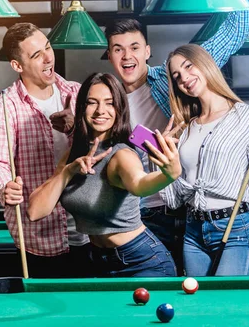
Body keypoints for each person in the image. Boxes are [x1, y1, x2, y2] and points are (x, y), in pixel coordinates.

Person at [104, 0, 249, 275]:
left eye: (133, 47)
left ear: (147, 51)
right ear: (110, 55)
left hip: (180, 212)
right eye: (117, 49)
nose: (126, 56)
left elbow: (234, 32)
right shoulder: (106, 101)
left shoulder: (175, 77)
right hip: (134, 216)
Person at [28, 73, 182, 277]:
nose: (101, 110)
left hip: (143, 261)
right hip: (99, 260)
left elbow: (139, 184)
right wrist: (68, 172)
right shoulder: (74, 154)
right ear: (82, 108)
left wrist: (169, 174)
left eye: (110, 103)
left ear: (120, 109)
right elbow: (35, 211)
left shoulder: (121, 154)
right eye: (92, 103)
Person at [163, 44, 249, 276]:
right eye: (177, 76)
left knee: (226, 308)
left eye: (189, 66)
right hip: (193, 233)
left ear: (206, 64)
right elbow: (173, 200)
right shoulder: (187, 129)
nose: (184, 78)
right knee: (201, 310)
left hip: (236, 230)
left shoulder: (247, 116)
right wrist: (163, 159)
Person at [0, 23, 92, 277]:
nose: (48, 58)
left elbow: (105, 145)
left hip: (88, 232)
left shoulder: (77, 94)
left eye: (48, 47)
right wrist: (5, 187)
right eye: (36, 55)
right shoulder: (5, 106)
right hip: (40, 237)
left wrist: (76, 127)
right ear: (17, 66)